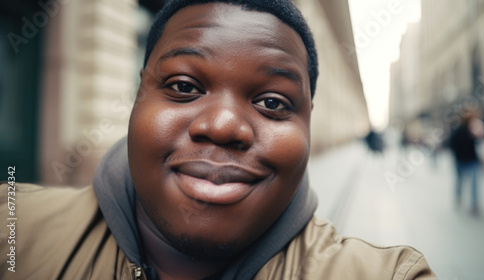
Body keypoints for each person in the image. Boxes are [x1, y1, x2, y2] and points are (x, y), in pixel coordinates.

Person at [0, 1, 436, 279]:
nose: (224, 126)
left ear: (307, 124)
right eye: (184, 87)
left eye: (272, 102)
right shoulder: (14, 231)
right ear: (137, 97)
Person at [449, 113, 484, 215]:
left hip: (468, 160)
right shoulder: (464, 131)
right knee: (465, 182)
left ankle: (469, 202)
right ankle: (468, 202)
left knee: (465, 182)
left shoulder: (472, 130)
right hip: (465, 160)